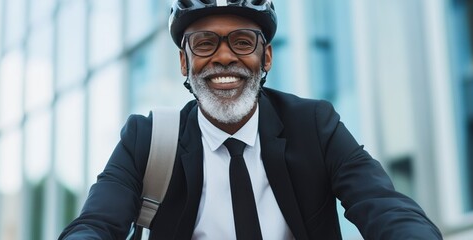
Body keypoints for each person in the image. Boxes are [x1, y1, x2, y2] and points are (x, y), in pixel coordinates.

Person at [60, 0, 443, 239]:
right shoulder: (146, 140)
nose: (224, 57)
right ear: (184, 62)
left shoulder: (314, 125)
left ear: (267, 59)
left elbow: (384, 205)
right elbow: (96, 224)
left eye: (242, 42)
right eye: (205, 43)